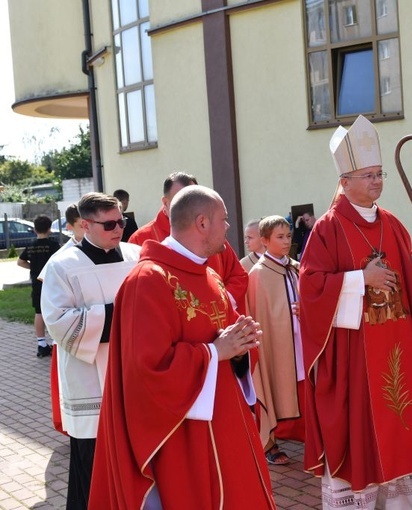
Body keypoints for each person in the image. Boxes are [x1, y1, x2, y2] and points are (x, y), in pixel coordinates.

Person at [298, 115, 412, 509]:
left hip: (399, 342)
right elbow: (310, 286)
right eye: (368, 175)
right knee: (364, 427)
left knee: (406, 420)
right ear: (344, 182)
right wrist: (359, 278)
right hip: (356, 352)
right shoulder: (327, 229)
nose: (378, 181)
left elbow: (408, 279)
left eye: (380, 173)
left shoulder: (393, 223)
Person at [89, 185, 276, 509]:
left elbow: (228, 347)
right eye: (224, 220)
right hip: (182, 438)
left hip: (227, 424)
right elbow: (146, 371)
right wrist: (216, 352)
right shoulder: (148, 281)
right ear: (202, 223)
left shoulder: (212, 278)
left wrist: (243, 346)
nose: (228, 228)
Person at [40, 193, 141, 509]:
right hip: (88, 380)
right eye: (109, 223)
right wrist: (120, 315)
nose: (118, 228)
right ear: (84, 225)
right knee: (92, 463)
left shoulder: (137, 256)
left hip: (133, 374)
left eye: (121, 220)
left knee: (137, 454)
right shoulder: (62, 265)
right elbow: (57, 321)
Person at [129, 171, 249, 309]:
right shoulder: (141, 239)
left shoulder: (214, 238)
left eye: (193, 199)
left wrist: (220, 303)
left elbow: (238, 276)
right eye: (180, 199)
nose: (188, 206)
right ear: (165, 202)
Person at [246, 215, 305, 465]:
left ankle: (306, 435)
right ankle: (270, 443)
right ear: (265, 241)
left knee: (302, 387)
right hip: (275, 344)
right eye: (279, 237)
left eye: (288, 236)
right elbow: (259, 313)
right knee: (271, 386)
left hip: (300, 340)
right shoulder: (258, 274)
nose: (286, 241)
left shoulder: (294, 266)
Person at [38, 203, 86, 435]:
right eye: (81, 225)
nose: (87, 229)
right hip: (73, 332)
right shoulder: (61, 258)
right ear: (69, 227)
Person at [17, 214, 60, 357]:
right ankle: (56, 342)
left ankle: (41, 344)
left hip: (37, 282)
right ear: (49, 229)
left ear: (35, 230)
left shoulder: (30, 246)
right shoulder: (54, 245)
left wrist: (34, 268)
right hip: (52, 282)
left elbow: (20, 262)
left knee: (39, 312)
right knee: (56, 310)